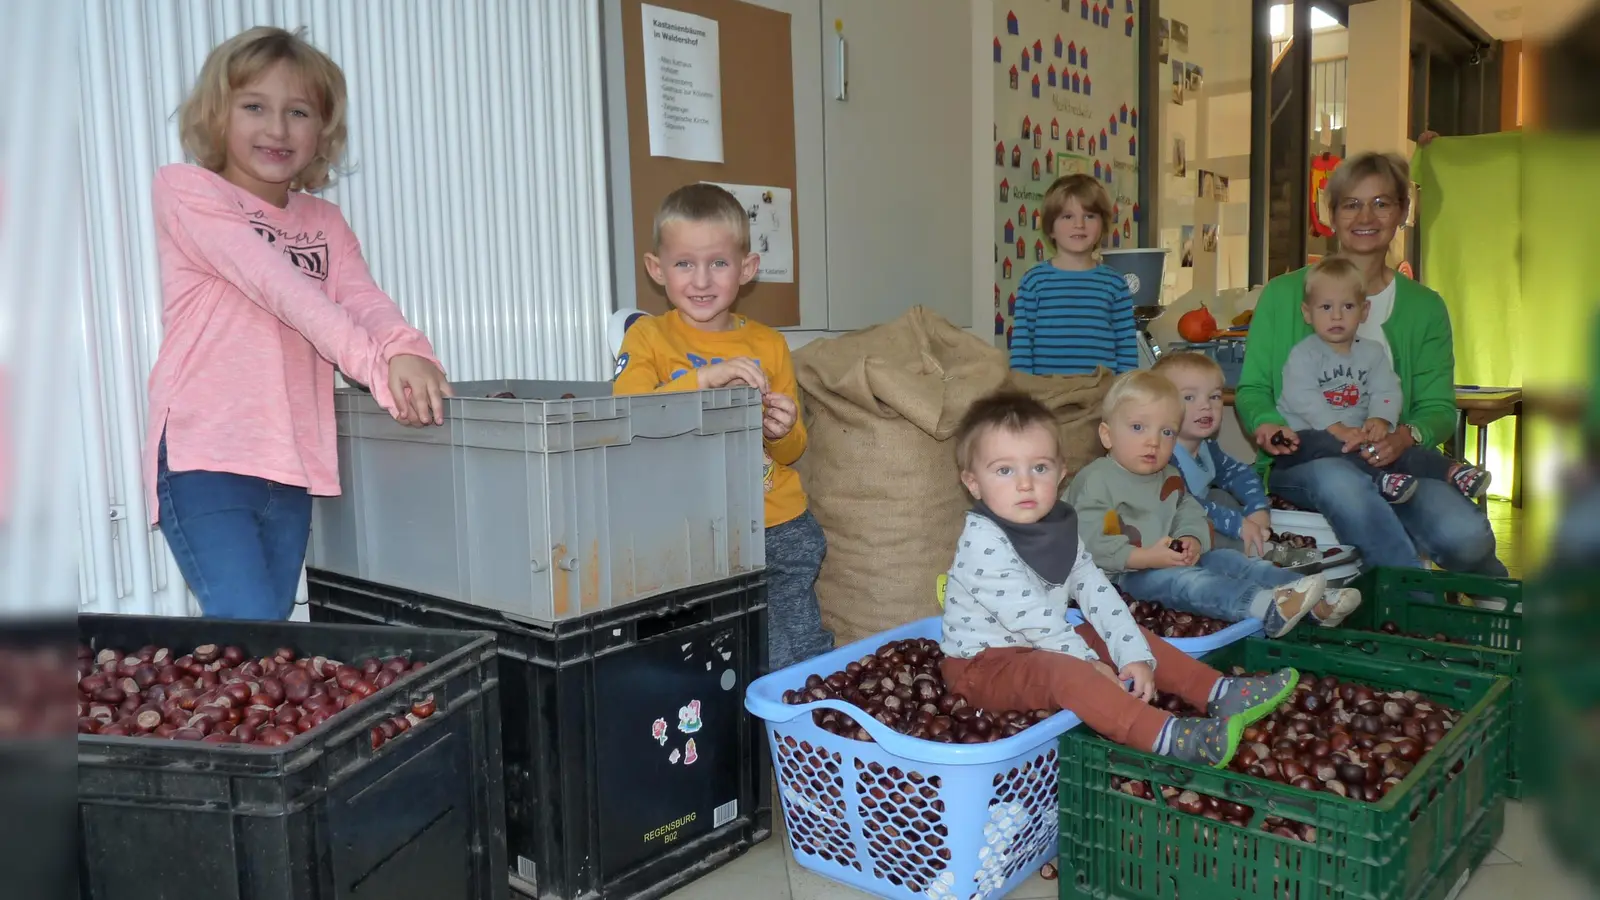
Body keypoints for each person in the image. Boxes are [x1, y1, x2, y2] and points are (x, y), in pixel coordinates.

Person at [145, 27, 451, 620]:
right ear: (217, 115)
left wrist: (410, 351)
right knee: (252, 634)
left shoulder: (324, 221)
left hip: (291, 462)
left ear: (322, 131)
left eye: (299, 111)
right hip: (205, 455)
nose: (277, 128)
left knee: (271, 646)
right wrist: (377, 369)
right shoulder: (187, 190)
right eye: (255, 106)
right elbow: (281, 289)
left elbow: (364, 300)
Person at [938, 390, 1300, 768]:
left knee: (1119, 634)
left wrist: (1134, 654)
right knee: (1067, 670)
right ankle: (1169, 736)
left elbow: (1095, 589)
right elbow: (1032, 619)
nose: (1025, 483)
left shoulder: (1059, 525)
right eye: (1004, 470)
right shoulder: (982, 540)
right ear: (973, 483)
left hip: (1041, 649)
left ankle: (1219, 690)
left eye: (1039, 468)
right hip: (981, 669)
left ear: (1061, 474)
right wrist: (1088, 662)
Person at [1234, 151, 1507, 578]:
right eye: (1351, 204)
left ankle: (1492, 593)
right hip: (1309, 461)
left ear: (1402, 211)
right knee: (1344, 485)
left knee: (1467, 537)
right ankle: (1416, 608)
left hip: (1396, 458)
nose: (1366, 215)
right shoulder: (1284, 296)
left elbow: (1437, 407)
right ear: (1333, 214)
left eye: (1381, 203)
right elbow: (1253, 390)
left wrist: (1405, 436)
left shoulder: (1425, 308)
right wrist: (1270, 425)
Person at [613, 183, 832, 671]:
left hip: (777, 523)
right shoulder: (648, 336)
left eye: (718, 263)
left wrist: (782, 428)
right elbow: (626, 412)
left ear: (747, 269)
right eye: (684, 263)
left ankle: (805, 730)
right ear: (657, 269)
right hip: (689, 532)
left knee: (795, 653)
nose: (701, 279)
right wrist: (700, 380)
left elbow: (793, 451)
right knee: (709, 658)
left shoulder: (768, 344)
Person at [1066, 372, 1361, 635]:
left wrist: (1192, 537)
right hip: (1121, 576)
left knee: (1233, 561)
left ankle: (1312, 599)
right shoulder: (1098, 481)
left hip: (1174, 557)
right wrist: (1146, 558)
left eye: (1166, 432)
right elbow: (1098, 542)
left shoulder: (1168, 474)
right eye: (1138, 427)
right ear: (1107, 435)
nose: (1153, 442)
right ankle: (1265, 606)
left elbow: (1188, 509)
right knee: (1190, 584)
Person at [1266, 256, 1491, 504]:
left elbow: (1387, 389)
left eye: (1348, 307)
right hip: (1308, 442)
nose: (1337, 316)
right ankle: (1379, 480)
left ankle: (1452, 472)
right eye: (1326, 307)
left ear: (1364, 311)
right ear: (1307, 313)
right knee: (1318, 442)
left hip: (1358, 439)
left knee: (1399, 449)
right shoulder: (1303, 354)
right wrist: (1337, 429)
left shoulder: (1372, 354)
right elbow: (1303, 398)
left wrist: (1380, 418)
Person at [1008, 174, 1139, 376]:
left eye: (1089, 216)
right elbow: (1022, 347)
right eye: (1067, 216)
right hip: (1047, 395)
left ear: (1102, 226)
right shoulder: (1033, 281)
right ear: (1050, 228)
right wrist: (1024, 394)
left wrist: (1125, 394)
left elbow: (1126, 348)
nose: (1079, 224)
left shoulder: (1115, 283)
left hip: (1101, 395)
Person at [1152, 352, 1274, 557]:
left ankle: (1252, 546)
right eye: (1189, 397)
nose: (1206, 405)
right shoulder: (1163, 454)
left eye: (1214, 396)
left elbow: (1239, 474)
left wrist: (1258, 508)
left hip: (1197, 519)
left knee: (1221, 496)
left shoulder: (1208, 447)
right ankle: (1250, 552)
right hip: (1167, 530)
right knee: (1208, 515)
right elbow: (1184, 502)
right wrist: (1237, 524)